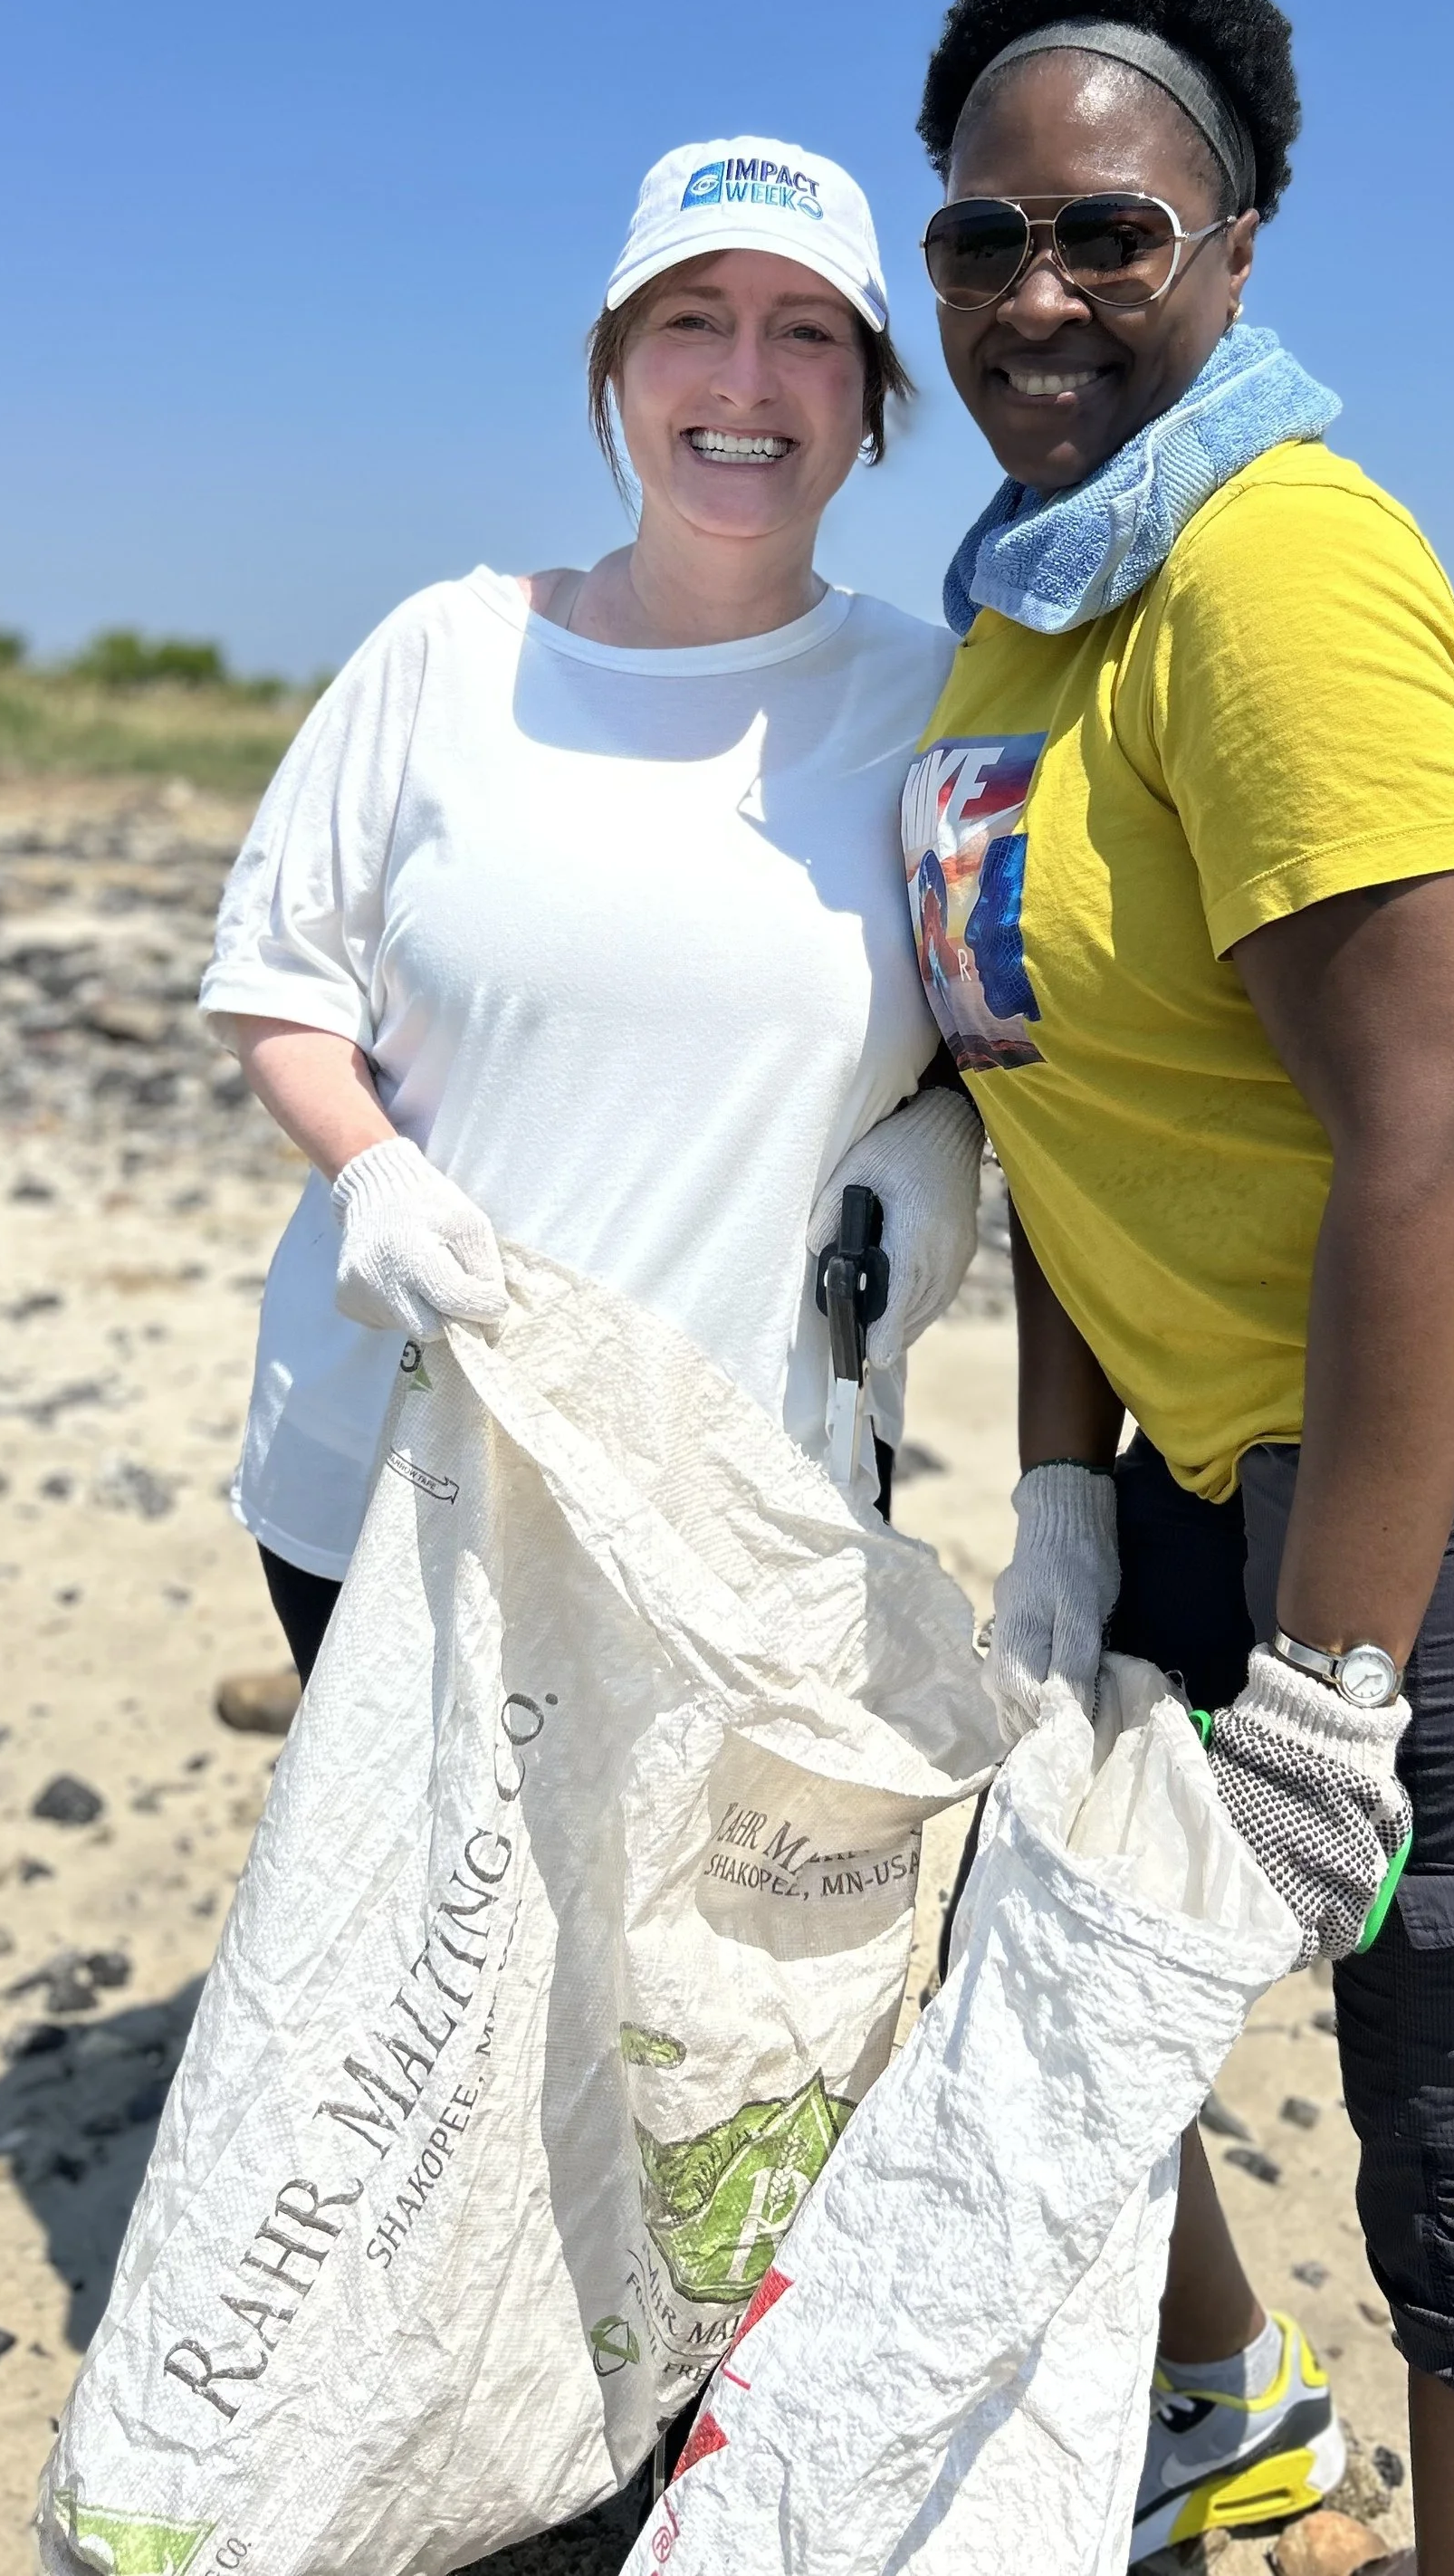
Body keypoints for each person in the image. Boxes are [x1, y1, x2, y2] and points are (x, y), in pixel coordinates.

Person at [904, 0, 1454, 2576]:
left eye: (1106, 231)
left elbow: (1439, 1124)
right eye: (980, 233)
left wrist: (1336, 1680)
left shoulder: (1262, 568)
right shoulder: (1021, 614)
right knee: (1044, 1920)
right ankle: (1217, 2403)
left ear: (1233, 244)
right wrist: (1061, 1508)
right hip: (1217, 1436)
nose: (1035, 292)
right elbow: (1061, 1109)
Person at [200, 133, 985, 1687]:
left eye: (807, 331)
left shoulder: (941, 703)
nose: (745, 378)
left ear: (872, 402)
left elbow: (1010, 1020)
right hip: (394, 1477)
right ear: (616, 369)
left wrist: (950, 1138)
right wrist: (371, 1174)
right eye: (691, 319)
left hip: (755, 1495)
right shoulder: (445, 653)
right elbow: (279, 980)